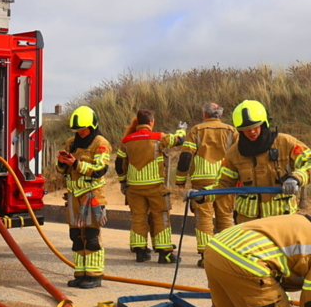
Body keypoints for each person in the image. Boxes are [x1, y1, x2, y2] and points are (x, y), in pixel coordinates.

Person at [198, 100, 311, 223]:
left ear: (264, 123)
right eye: (246, 129)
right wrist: (202, 194)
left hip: (282, 221)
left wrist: (295, 179)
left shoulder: (286, 143)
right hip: (248, 223)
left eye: (255, 126)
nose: (251, 132)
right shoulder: (234, 153)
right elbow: (224, 184)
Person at [115, 109, 186, 263]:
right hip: (155, 187)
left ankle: (140, 251)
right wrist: (181, 130)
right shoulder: (158, 137)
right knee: (161, 216)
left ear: (138, 122)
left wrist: (123, 181)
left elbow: (119, 164)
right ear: (151, 122)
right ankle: (164, 252)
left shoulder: (126, 141)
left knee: (138, 217)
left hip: (134, 187)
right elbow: (179, 140)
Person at [175, 103, 238, 267]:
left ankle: (206, 257)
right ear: (221, 114)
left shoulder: (196, 130)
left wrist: (180, 180)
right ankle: (229, 255)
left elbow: (186, 157)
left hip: (201, 182)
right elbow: (240, 155)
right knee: (225, 217)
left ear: (204, 115)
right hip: (226, 181)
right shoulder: (231, 131)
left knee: (204, 220)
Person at [57, 106, 111, 289]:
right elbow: (62, 170)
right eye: (77, 130)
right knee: (76, 236)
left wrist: (77, 164)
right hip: (73, 197)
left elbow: (100, 170)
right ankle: (80, 273)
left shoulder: (100, 143)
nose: (80, 133)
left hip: (92, 196)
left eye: (83, 129)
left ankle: (94, 275)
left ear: (92, 125)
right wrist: (62, 162)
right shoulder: (71, 142)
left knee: (91, 235)